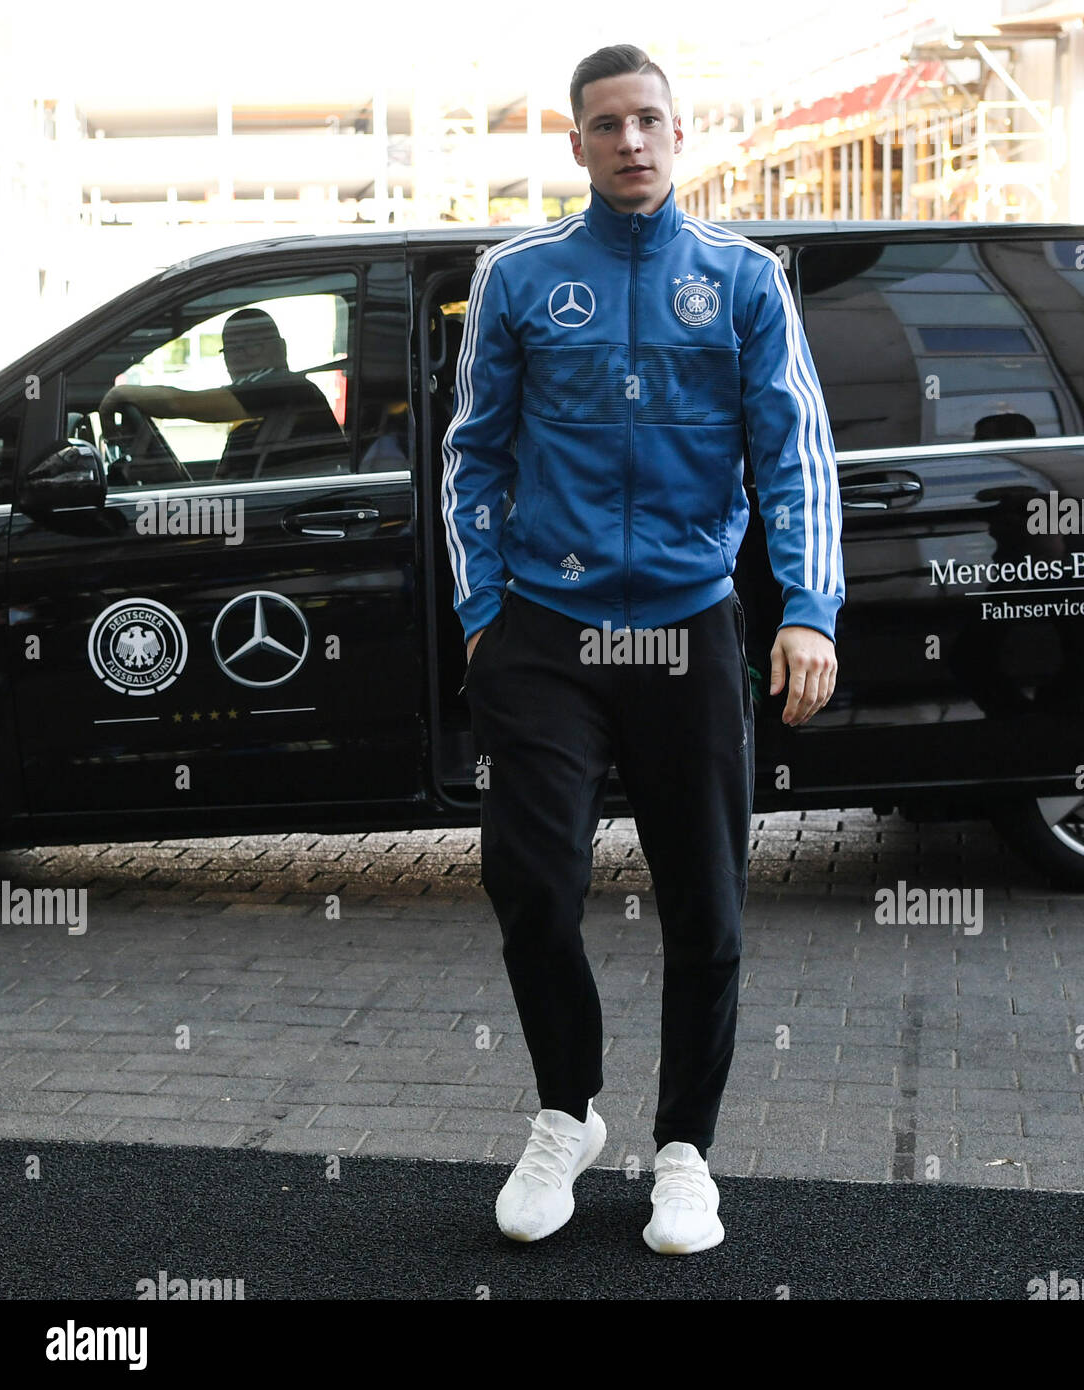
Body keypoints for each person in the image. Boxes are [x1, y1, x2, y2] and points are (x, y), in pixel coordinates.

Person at [442, 43, 844, 1255]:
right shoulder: (515, 277)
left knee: (706, 903)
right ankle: (566, 1112)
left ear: (681, 133)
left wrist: (808, 608)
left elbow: (795, 454)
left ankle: (683, 1152)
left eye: (650, 120)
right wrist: (483, 621)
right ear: (575, 142)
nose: (631, 141)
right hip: (549, 636)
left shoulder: (744, 280)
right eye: (606, 124)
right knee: (531, 880)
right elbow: (473, 457)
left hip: (688, 629)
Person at [99, 308, 344, 480]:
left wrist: (118, 395)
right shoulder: (264, 410)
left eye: (253, 345)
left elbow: (181, 404)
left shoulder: (281, 387)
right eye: (232, 349)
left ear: (281, 348)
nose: (242, 356)